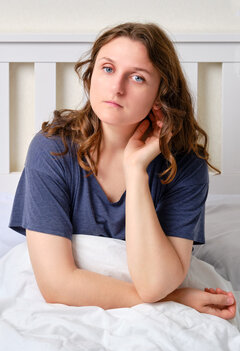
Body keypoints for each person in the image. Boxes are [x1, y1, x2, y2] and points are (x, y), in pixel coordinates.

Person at [9, 22, 236, 319]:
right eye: (107, 69)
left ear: (160, 95)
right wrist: (176, 300)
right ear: (90, 78)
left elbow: (155, 284)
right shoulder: (52, 149)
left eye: (138, 77)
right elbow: (56, 285)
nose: (117, 87)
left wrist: (136, 170)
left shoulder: (186, 166)